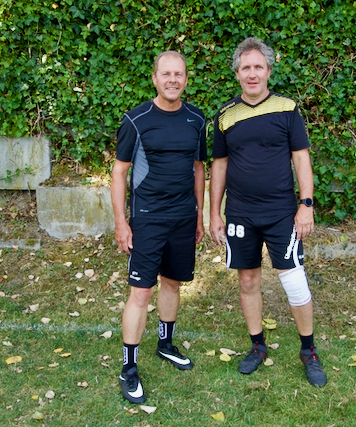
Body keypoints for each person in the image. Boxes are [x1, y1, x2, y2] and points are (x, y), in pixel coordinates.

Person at [209, 37, 327, 387]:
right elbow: (219, 166)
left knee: (293, 278)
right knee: (247, 280)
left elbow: (301, 158)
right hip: (241, 214)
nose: (252, 73)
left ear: (269, 71)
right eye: (246, 67)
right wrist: (214, 213)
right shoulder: (225, 115)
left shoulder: (287, 108)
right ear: (237, 73)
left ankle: (309, 351)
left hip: (281, 213)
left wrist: (306, 204)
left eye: (258, 67)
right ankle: (257, 346)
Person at [110, 50, 207, 403]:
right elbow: (119, 172)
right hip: (148, 219)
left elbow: (199, 168)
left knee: (173, 282)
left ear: (186, 79)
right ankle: (129, 368)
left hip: (183, 217)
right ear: (154, 78)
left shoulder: (197, 119)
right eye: (166, 74)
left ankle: (165, 344)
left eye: (178, 74)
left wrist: (199, 214)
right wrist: (121, 222)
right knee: (141, 293)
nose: (172, 80)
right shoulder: (136, 120)